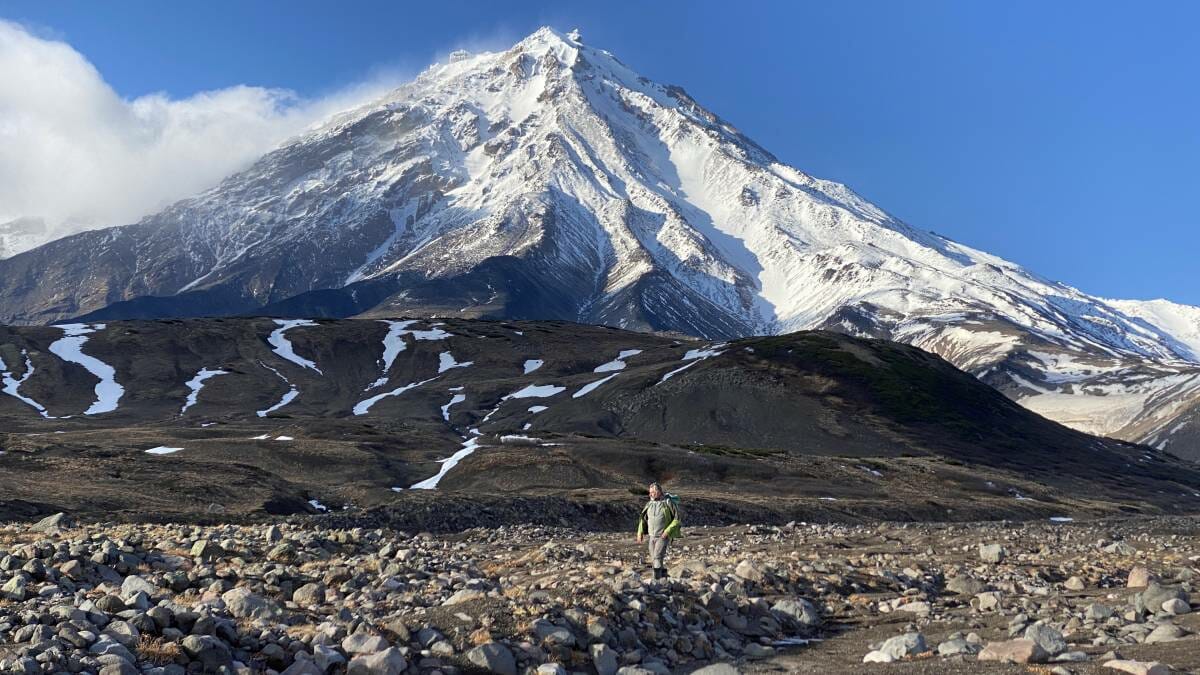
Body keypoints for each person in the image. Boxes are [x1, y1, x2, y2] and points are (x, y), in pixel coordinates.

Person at [636, 482, 680, 580]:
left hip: (663, 536)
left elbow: (677, 519)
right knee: (654, 559)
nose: (650, 494)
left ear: (659, 492)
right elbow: (643, 519)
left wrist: (667, 531)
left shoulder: (668, 503)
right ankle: (664, 578)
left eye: (653, 492)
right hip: (652, 536)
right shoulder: (649, 504)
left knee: (657, 557)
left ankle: (656, 581)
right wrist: (640, 532)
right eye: (650, 492)